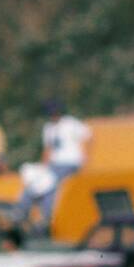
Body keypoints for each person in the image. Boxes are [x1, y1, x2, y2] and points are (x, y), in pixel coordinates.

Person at [16, 98, 91, 232]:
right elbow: (48, 150)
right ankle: (21, 213)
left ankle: (47, 219)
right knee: (35, 183)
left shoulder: (71, 123)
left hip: (70, 163)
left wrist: (84, 160)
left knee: (50, 186)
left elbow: (88, 138)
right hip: (54, 165)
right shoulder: (49, 128)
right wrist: (42, 168)